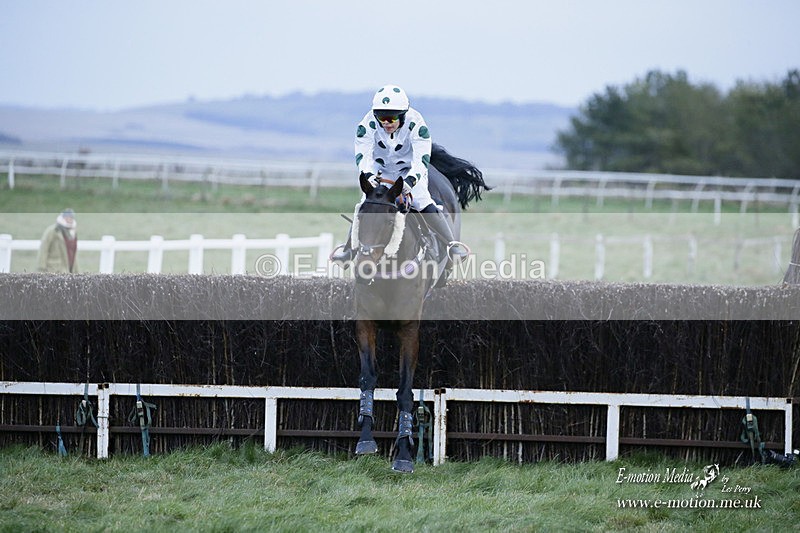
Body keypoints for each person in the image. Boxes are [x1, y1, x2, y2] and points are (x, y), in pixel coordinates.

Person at [330, 84, 468, 265]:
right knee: (367, 203)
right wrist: (370, 177)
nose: (386, 122)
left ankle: (452, 246)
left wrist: (409, 182)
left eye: (391, 117)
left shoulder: (417, 124)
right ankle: (349, 250)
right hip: (382, 173)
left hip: (410, 173)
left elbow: (422, 159)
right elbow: (362, 156)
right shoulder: (366, 125)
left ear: (403, 115)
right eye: (381, 117)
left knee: (422, 200)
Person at [37, 208, 79, 273]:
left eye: (71, 217)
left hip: (69, 270)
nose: (70, 219)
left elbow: (73, 254)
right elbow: (44, 249)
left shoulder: (73, 233)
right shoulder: (52, 231)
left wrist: (76, 271)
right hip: (54, 270)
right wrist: (41, 268)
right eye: (68, 217)